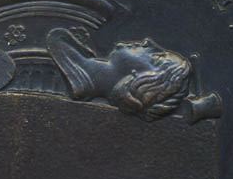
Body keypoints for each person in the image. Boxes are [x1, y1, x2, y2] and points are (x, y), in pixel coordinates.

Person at [45, 27, 191, 121]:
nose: (149, 42)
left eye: (157, 57)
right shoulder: (66, 42)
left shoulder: (62, 47)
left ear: (143, 78)